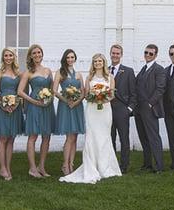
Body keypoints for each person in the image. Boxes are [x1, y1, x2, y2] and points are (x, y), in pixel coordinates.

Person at [60, 53, 122, 184]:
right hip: (92, 110)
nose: (98, 63)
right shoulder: (89, 77)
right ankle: (91, 166)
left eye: (100, 61)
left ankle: (105, 167)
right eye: (95, 61)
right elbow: (86, 95)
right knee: (92, 136)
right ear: (93, 64)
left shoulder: (110, 77)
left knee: (104, 137)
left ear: (104, 63)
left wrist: (103, 98)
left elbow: (111, 95)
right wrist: (95, 97)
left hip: (105, 110)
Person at [18, 44, 55, 178]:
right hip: (34, 105)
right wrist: (33, 101)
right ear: (31, 56)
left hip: (47, 106)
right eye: (34, 53)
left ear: (42, 54)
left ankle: (42, 166)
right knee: (33, 136)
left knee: (47, 136)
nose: (37, 55)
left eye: (39, 52)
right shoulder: (28, 72)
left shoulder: (48, 71)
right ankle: (32, 168)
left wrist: (49, 99)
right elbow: (20, 92)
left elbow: (52, 89)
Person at [0, 48, 24, 181]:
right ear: (3, 57)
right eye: (6, 55)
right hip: (2, 107)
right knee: (3, 138)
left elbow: (20, 91)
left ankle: (8, 166)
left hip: (15, 107)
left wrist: (16, 104)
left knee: (11, 138)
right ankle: (2, 167)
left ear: (14, 57)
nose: (8, 58)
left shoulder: (18, 73)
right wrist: (2, 105)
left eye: (10, 55)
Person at [134, 44, 166, 173]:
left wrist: (150, 104)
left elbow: (160, 89)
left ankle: (159, 166)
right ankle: (147, 164)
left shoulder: (159, 69)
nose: (147, 55)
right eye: (146, 52)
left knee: (153, 137)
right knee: (143, 137)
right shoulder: (143, 69)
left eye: (151, 54)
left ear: (156, 55)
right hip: (139, 109)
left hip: (150, 108)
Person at [54, 49, 85, 176]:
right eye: (68, 57)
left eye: (72, 57)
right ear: (65, 59)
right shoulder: (60, 72)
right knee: (69, 136)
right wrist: (66, 100)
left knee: (75, 136)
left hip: (77, 106)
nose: (70, 59)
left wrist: (76, 102)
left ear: (75, 59)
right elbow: (54, 90)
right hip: (66, 106)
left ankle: (72, 164)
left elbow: (83, 91)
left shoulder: (79, 74)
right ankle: (65, 165)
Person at [109, 44, 137, 174]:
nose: (115, 55)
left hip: (122, 109)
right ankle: (111, 163)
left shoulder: (128, 71)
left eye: (117, 53)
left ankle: (124, 165)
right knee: (110, 138)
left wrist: (129, 109)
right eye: (113, 53)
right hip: (107, 110)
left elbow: (134, 93)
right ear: (110, 54)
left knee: (124, 138)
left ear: (121, 55)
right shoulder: (105, 70)